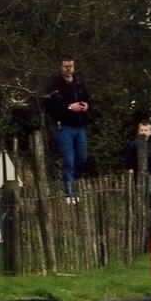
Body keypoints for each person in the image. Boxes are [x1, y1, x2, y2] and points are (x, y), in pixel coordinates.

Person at [42, 56, 92, 200]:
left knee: (82, 158)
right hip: (64, 126)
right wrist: (69, 107)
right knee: (68, 160)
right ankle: (69, 193)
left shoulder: (79, 82)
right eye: (65, 66)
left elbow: (88, 98)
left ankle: (75, 185)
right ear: (61, 66)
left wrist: (86, 105)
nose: (68, 69)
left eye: (71, 66)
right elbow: (49, 106)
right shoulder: (54, 85)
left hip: (80, 125)